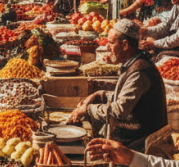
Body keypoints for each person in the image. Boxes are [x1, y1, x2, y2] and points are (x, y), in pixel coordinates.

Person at [68, 20, 167, 152]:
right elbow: (123, 98)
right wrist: (99, 95)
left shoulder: (140, 71)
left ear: (125, 45)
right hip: (137, 134)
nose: (108, 47)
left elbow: (119, 110)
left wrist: (89, 109)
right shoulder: (133, 64)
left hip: (141, 141)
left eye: (111, 43)